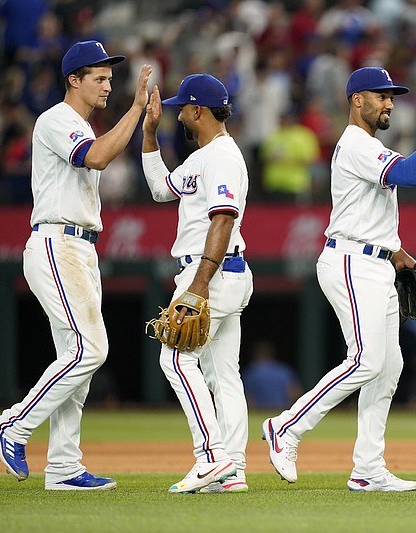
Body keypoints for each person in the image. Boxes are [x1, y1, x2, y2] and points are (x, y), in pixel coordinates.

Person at [261, 66, 416, 492]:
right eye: (380, 95)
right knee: (365, 359)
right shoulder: (356, 143)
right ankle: (285, 428)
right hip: (350, 261)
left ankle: (368, 468)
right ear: (356, 100)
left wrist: (396, 252)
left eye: (391, 97)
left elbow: (373, 211)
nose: (388, 103)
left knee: (389, 366)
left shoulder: (370, 145)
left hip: (375, 260)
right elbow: (411, 174)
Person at [0, 40, 151, 490]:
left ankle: (62, 466)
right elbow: (96, 156)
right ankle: (14, 425)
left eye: (110, 78)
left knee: (75, 362)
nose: (107, 84)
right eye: (99, 77)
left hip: (79, 247)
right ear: (73, 80)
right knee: (89, 350)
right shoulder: (58, 119)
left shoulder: (78, 123)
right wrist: (136, 109)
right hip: (57, 242)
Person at [140, 73, 253, 494]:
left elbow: (224, 218)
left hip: (211, 272)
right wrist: (149, 134)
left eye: (181, 109)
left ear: (198, 110)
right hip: (222, 271)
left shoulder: (222, 155)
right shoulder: (201, 157)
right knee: (223, 373)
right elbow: (158, 189)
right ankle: (233, 470)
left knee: (174, 359)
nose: (178, 116)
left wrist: (199, 285)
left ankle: (211, 458)